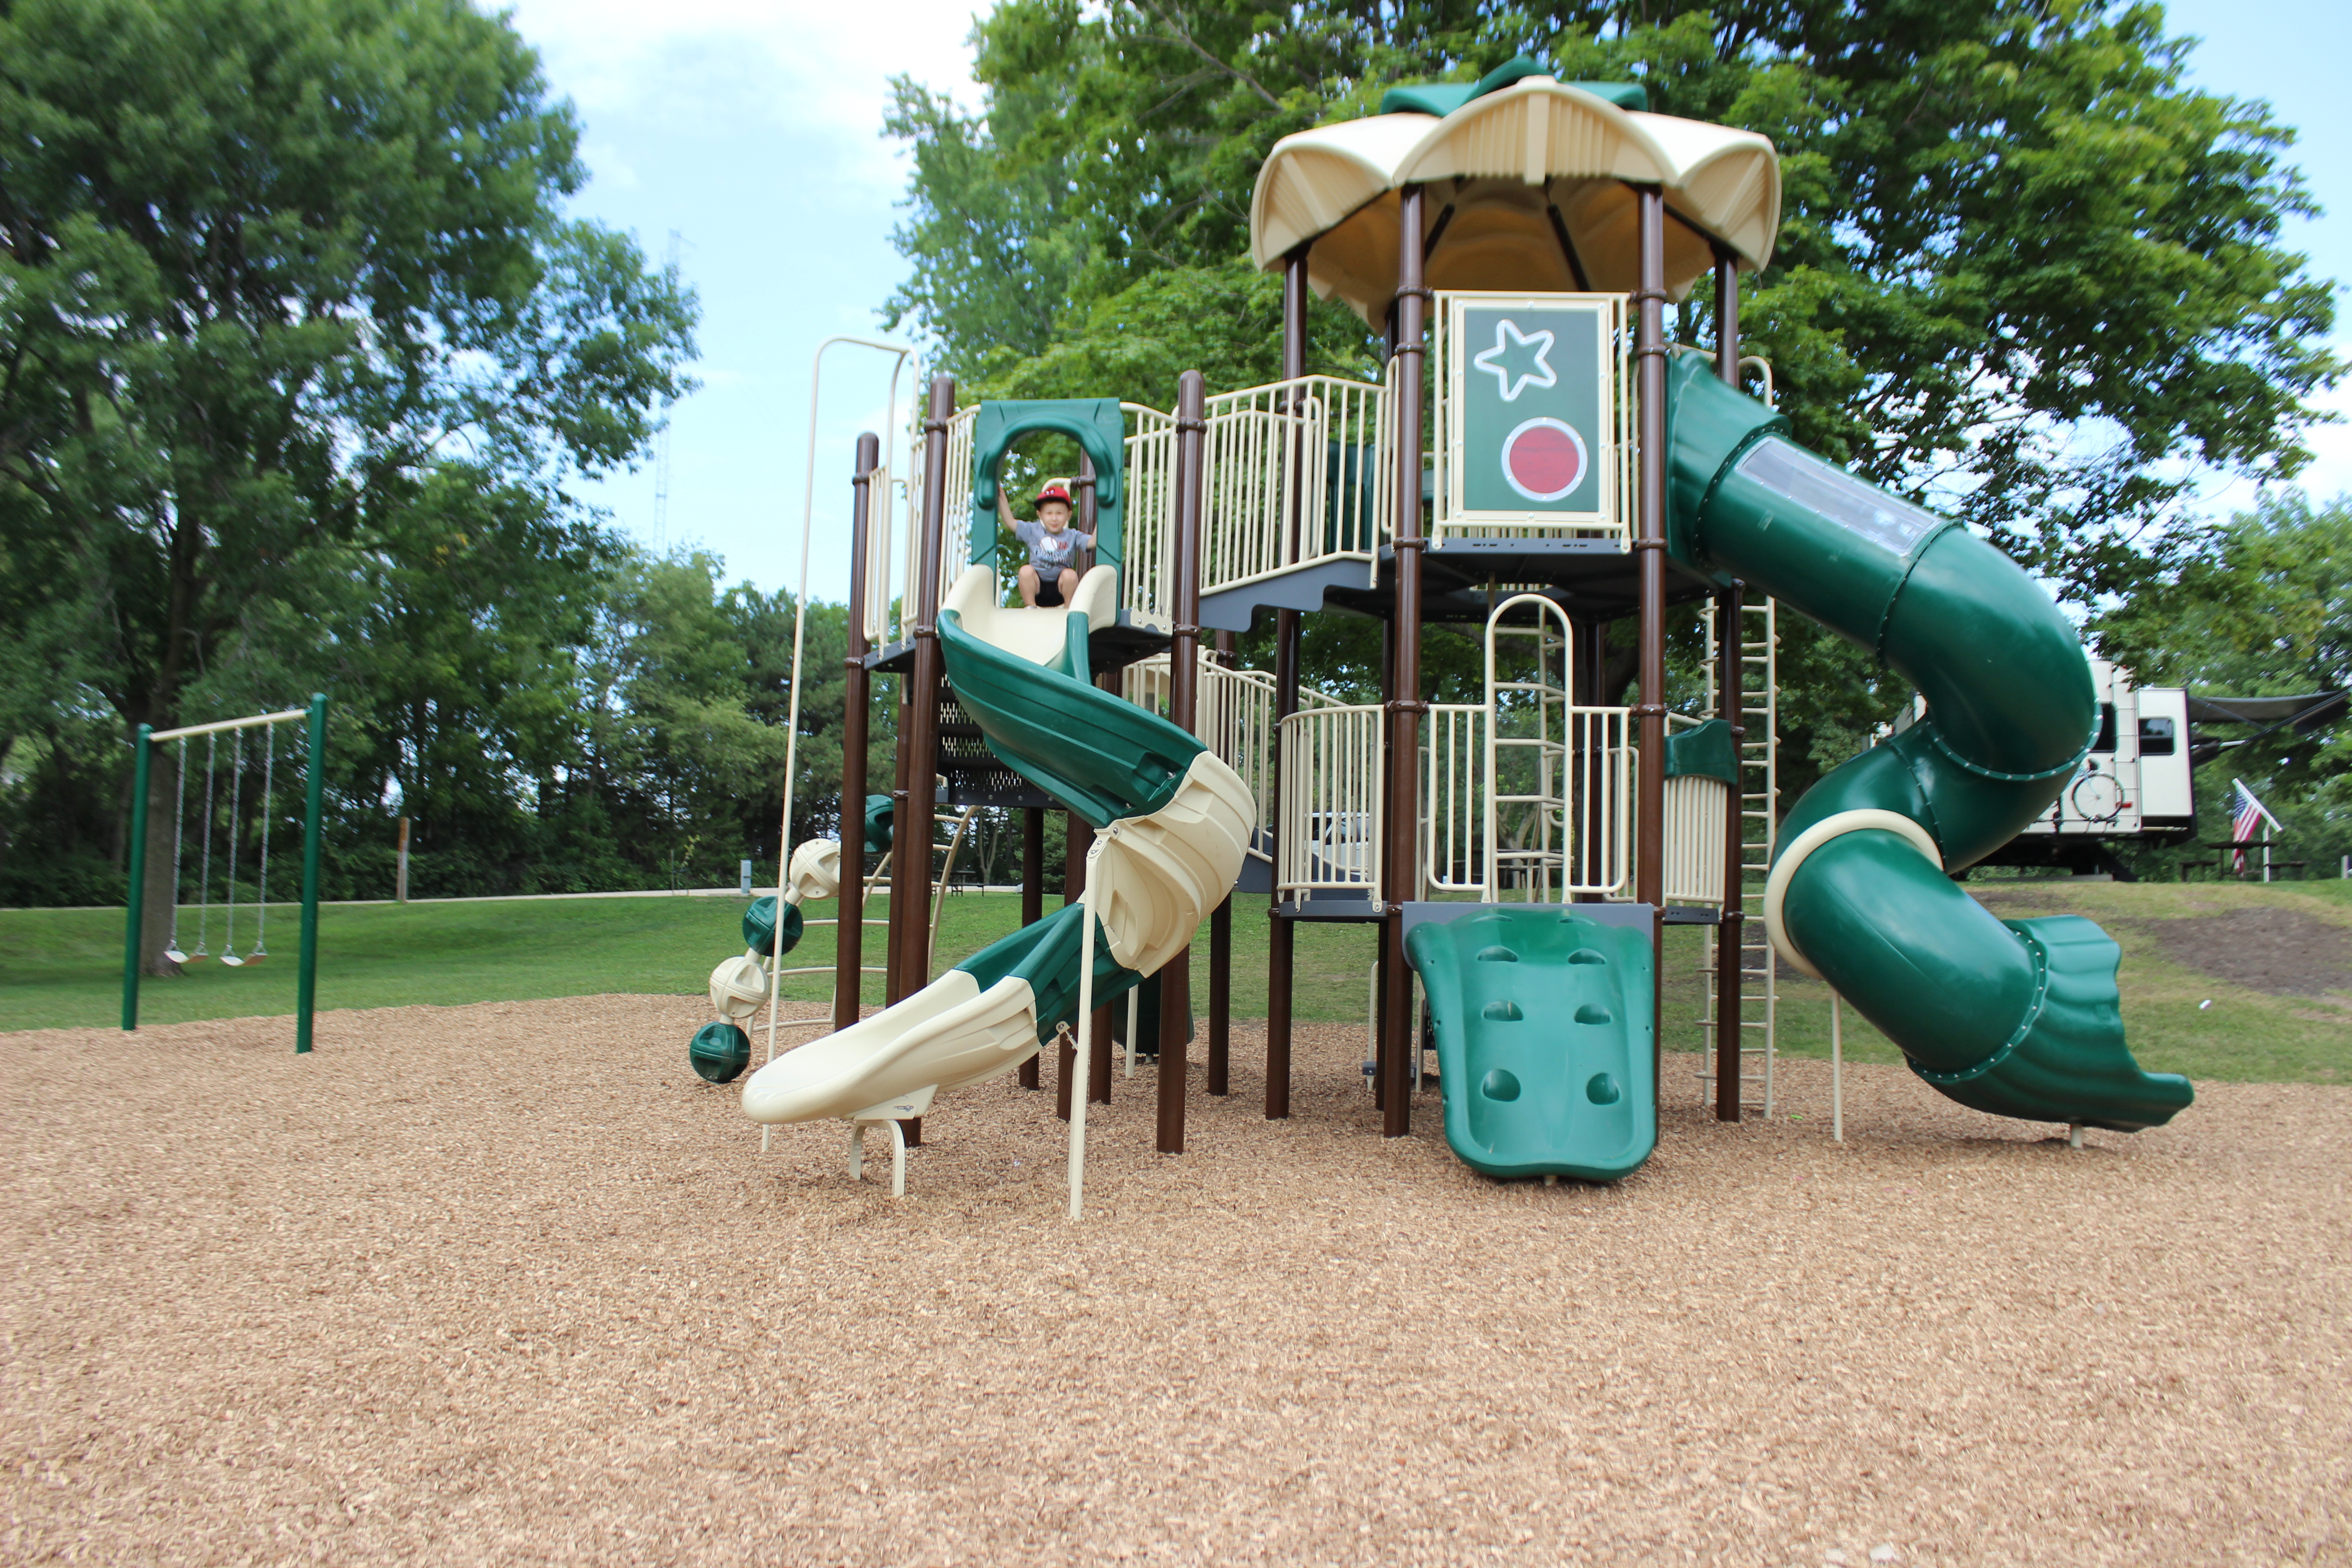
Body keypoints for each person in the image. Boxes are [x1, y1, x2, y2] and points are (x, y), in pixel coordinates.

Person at [1012, 481, 1094, 608]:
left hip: (1060, 590)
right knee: (1025, 571)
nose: (1054, 518)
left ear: (1069, 515)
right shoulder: (1034, 531)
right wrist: (1000, 499)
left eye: (1059, 513)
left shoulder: (1072, 536)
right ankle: (1031, 608)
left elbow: (1092, 542)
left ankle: (1068, 610)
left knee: (1070, 574)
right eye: (1049, 513)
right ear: (1040, 515)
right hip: (1038, 588)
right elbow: (1010, 522)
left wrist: (1104, 512)